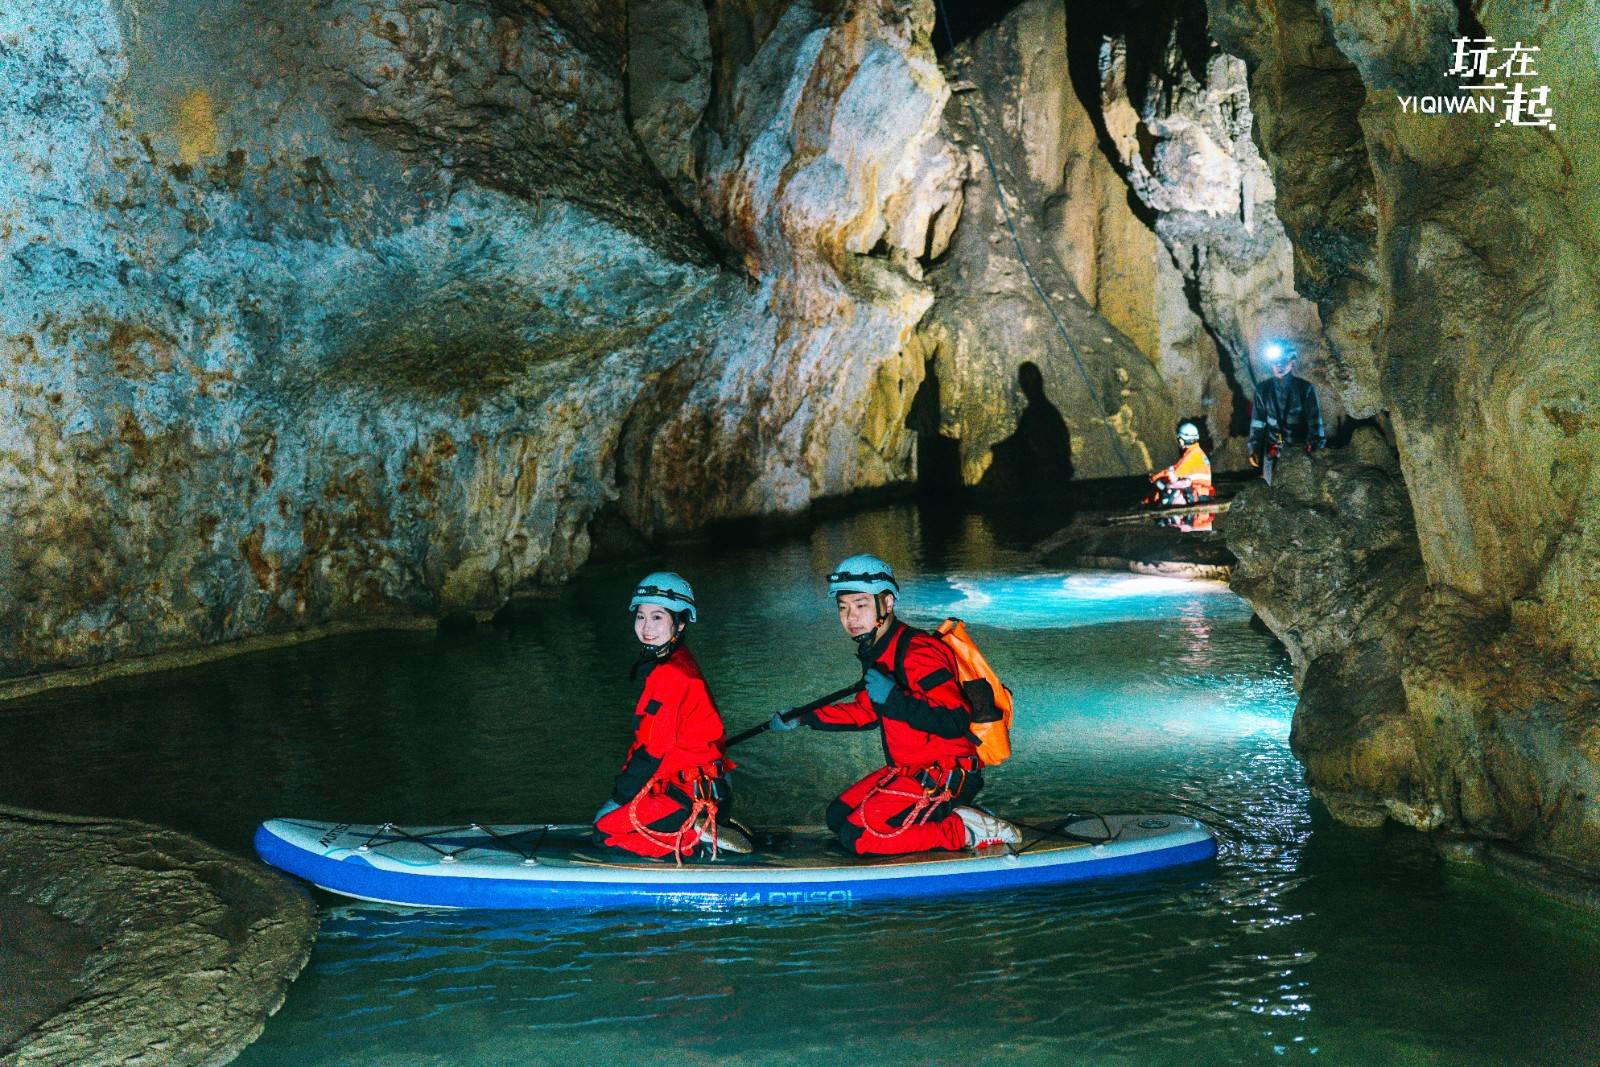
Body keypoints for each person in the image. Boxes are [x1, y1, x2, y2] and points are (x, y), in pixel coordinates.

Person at [769, 554, 1020, 855]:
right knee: (837, 817)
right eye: (843, 607)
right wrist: (805, 717)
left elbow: (955, 719)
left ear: (887, 604)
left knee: (858, 838)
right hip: (908, 769)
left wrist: (894, 698)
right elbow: (865, 713)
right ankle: (948, 819)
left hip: (942, 776)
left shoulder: (918, 652)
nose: (851, 617)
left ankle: (964, 830)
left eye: (860, 605)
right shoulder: (878, 649)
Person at [594, 572, 742, 860]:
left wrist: (619, 798)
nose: (646, 627)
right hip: (704, 787)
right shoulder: (675, 659)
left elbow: (652, 752)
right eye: (641, 616)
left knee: (604, 831)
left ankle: (694, 841)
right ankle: (700, 828)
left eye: (657, 617)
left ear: (681, 622)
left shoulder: (670, 674)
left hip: (692, 796)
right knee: (616, 816)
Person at [1247, 342, 1326, 483]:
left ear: (1292, 362)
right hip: (1273, 452)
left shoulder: (1305, 388)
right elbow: (1257, 423)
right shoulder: (1263, 390)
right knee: (1272, 493)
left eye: (1283, 361)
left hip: (1300, 451)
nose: (1279, 365)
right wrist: (1254, 448)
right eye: (1275, 362)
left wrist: (1314, 447)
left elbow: (1314, 421)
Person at [1147, 421, 1214, 507]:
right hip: (1202, 493)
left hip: (1196, 494)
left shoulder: (1192, 455)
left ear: (1183, 439)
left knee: (1166, 489)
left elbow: (1172, 473)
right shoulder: (1197, 452)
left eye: (1179, 439)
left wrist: (1154, 478)